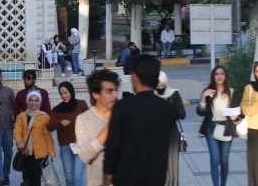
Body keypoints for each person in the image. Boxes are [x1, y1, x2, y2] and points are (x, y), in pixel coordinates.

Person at [103, 54, 178, 186]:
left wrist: (106, 181)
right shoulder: (170, 109)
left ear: (135, 77)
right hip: (157, 180)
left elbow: (112, 149)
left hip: (125, 181)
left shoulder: (122, 107)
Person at [196, 66, 241, 186]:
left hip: (227, 129)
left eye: (222, 74)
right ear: (213, 76)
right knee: (215, 159)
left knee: (224, 160)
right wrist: (203, 97)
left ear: (225, 76)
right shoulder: (208, 92)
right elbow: (201, 112)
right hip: (212, 128)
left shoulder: (231, 92)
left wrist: (235, 118)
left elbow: (238, 113)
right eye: (216, 74)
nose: (219, 76)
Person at [76, 69, 119, 186]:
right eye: (109, 91)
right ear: (95, 94)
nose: (115, 95)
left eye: (116, 90)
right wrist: (108, 129)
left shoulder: (126, 115)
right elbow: (85, 155)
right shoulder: (83, 119)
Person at [47, 81, 88, 186]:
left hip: (81, 145)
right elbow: (49, 126)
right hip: (65, 147)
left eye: (66, 93)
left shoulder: (81, 104)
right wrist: (60, 122)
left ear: (71, 92)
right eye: (61, 94)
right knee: (69, 179)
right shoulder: (57, 110)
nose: (64, 96)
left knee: (77, 178)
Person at [14, 91, 55, 186]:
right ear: (27, 101)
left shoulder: (45, 117)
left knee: (38, 181)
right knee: (28, 180)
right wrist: (19, 141)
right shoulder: (21, 116)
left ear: (39, 102)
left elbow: (48, 136)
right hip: (26, 154)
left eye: (36, 101)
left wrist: (50, 153)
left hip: (41, 154)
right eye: (31, 100)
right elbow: (17, 131)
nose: (33, 103)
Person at [155, 71, 186, 186]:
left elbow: (182, 114)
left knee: (171, 163)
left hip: (171, 134)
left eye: (162, 84)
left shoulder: (173, 94)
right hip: (155, 134)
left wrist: (169, 108)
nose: (160, 87)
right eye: (157, 85)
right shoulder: (151, 95)